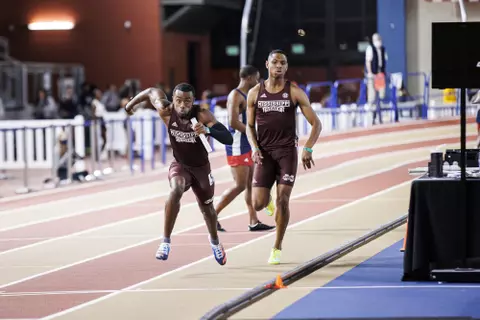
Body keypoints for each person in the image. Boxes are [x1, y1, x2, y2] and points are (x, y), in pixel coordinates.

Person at [125, 83, 233, 266]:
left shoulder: (202, 114)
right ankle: (165, 241)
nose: (182, 105)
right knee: (176, 189)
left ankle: (214, 242)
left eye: (187, 101)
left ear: (193, 101)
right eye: (178, 101)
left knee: (207, 209)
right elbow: (150, 92)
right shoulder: (165, 110)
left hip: (201, 169)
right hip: (180, 165)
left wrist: (208, 131)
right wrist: (130, 105)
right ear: (172, 100)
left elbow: (228, 137)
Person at [246, 50, 322, 265]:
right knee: (258, 204)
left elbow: (316, 123)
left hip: (287, 152)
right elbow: (250, 126)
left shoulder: (295, 92)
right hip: (265, 152)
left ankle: (277, 246)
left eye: (283, 63)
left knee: (283, 199)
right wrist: (254, 147)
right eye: (275, 62)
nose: (278, 66)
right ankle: (267, 201)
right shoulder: (254, 93)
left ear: (286, 67)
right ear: (267, 65)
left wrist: (308, 148)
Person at [215, 65, 275, 233]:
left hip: (247, 142)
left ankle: (253, 220)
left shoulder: (249, 95)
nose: (258, 81)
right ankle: (212, 214)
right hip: (236, 143)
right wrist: (251, 132)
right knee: (240, 185)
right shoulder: (235, 95)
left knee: (250, 183)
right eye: (256, 78)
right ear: (248, 78)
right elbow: (233, 122)